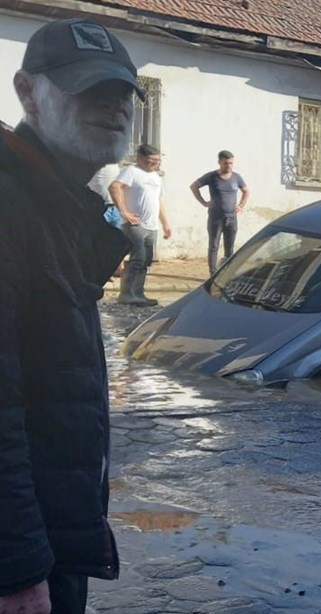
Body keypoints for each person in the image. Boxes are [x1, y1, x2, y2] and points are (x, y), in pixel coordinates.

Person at [0, 18, 138, 613]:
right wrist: (17, 569)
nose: (113, 105)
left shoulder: (57, 205)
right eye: (88, 87)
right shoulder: (10, 205)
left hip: (51, 540)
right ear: (28, 92)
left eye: (123, 91)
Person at [110, 144, 170, 306]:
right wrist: (124, 212)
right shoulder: (132, 171)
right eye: (152, 160)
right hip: (135, 224)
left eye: (158, 160)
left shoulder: (156, 177)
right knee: (138, 258)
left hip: (152, 226)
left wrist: (165, 223)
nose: (156, 163)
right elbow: (115, 187)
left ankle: (138, 293)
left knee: (146, 261)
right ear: (141, 158)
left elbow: (158, 201)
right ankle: (126, 294)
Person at [190, 150, 249, 274]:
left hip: (231, 218)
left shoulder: (237, 177)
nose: (229, 166)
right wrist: (204, 202)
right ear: (219, 162)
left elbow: (246, 191)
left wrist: (241, 205)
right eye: (226, 163)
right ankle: (213, 273)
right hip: (216, 218)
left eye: (231, 163)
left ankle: (227, 274)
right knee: (214, 246)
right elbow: (194, 186)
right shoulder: (212, 176)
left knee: (230, 248)